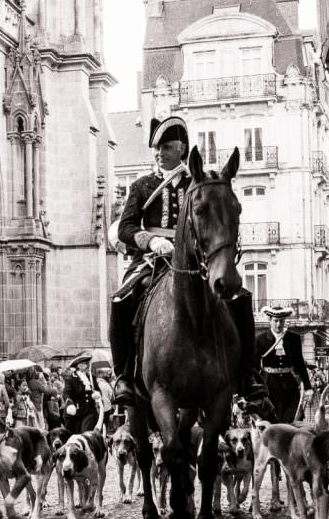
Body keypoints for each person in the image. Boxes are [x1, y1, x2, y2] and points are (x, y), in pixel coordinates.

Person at [109, 115, 261, 407]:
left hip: (199, 260)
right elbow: (126, 227)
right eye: (156, 148)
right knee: (121, 299)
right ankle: (124, 374)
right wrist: (151, 240)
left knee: (240, 299)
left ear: (182, 148)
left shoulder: (199, 182)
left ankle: (247, 374)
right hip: (152, 259)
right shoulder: (142, 186)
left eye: (166, 146)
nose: (159, 153)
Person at [253, 305, 310, 423]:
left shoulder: (293, 338)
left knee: (290, 421)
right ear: (270, 320)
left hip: (290, 385)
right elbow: (254, 367)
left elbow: (299, 363)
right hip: (269, 386)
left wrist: (308, 387)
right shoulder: (260, 339)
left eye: (281, 321)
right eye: (276, 321)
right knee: (271, 422)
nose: (279, 324)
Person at [64, 355, 100, 433]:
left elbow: (97, 390)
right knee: (74, 433)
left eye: (88, 363)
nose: (88, 365)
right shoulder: (71, 378)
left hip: (90, 411)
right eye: (85, 363)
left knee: (86, 431)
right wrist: (70, 404)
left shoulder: (91, 377)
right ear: (79, 365)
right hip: (76, 411)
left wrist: (97, 394)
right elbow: (67, 393)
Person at [26, 366, 55, 431]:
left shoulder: (27, 382)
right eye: (35, 371)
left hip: (30, 404)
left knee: (33, 423)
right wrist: (49, 383)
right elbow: (47, 392)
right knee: (40, 424)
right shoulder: (35, 382)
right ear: (33, 373)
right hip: (37, 404)